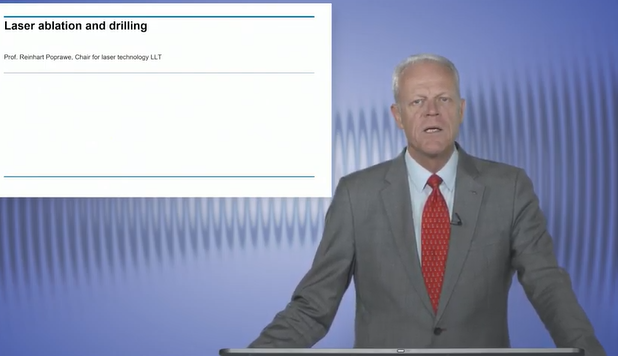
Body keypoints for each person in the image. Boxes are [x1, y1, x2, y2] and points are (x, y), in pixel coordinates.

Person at [247, 53, 606, 355]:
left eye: (444, 99)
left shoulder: (509, 188)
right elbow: (313, 307)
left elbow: (547, 285)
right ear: (397, 115)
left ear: (461, 110)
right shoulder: (357, 195)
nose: (432, 111)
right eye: (417, 101)